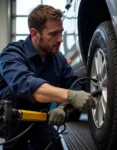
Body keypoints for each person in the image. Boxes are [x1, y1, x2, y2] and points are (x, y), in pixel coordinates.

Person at [0, 4, 96, 150]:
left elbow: (74, 85)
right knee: (15, 94)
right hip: (10, 119)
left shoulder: (58, 59)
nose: (60, 39)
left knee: (53, 145)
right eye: (53, 34)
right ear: (34, 34)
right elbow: (26, 85)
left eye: (61, 33)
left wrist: (64, 108)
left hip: (39, 118)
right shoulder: (12, 54)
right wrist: (70, 96)